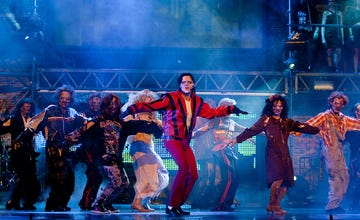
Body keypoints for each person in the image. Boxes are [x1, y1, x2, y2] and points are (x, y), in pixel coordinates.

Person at [120, 72, 248, 217]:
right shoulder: (171, 98)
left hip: (185, 141)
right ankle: (171, 205)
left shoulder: (197, 101)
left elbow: (211, 112)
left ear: (193, 85)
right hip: (172, 139)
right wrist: (132, 109)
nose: (186, 84)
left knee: (193, 174)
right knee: (183, 169)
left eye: (189, 82)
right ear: (180, 85)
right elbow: (152, 105)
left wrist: (231, 109)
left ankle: (177, 205)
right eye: (183, 82)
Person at [65, 93, 163, 214]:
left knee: (124, 183)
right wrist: (65, 142)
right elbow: (80, 132)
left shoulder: (121, 123)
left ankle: (106, 203)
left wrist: (154, 125)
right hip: (103, 157)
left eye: (115, 104)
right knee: (116, 182)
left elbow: (138, 125)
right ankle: (98, 204)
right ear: (105, 106)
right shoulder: (97, 121)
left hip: (116, 157)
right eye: (110, 104)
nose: (113, 107)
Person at [228, 94, 319, 215]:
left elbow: (301, 126)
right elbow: (251, 131)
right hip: (272, 153)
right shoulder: (266, 120)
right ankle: (271, 204)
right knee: (278, 179)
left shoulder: (286, 121)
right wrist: (237, 140)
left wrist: (317, 130)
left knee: (287, 183)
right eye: (275, 106)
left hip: (285, 154)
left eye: (280, 106)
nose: (277, 108)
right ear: (271, 107)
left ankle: (276, 205)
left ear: (283, 108)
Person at [17, 85, 88, 212]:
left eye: (67, 98)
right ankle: (53, 203)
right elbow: (34, 123)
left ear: (71, 99)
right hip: (53, 148)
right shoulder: (50, 110)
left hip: (66, 149)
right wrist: (23, 138)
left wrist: (83, 124)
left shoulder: (72, 111)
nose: (64, 101)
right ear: (58, 98)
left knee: (70, 177)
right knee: (60, 176)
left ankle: (60, 203)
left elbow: (85, 124)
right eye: (62, 98)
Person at [305, 91, 360, 214]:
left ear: (343, 105)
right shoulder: (324, 116)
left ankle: (335, 204)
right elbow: (308, 125)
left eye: (340, 104)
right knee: (335, 177)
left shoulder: (344, 119)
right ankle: (331, 206)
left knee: (345, 177)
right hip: (329, 149)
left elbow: (357, 123)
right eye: (335, 103)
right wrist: (292, 130)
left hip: (339, 151)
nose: (337, 105)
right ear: (331, 103)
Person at [192, 98, 247, 212]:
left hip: (230, 152)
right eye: (226, 107)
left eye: (230, 107)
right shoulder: (216, 120)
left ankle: (227, 203)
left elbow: (247, 130)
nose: (229, 111)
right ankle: (220, 204)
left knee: (235, 178)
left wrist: (265, 132)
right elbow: (202, 130)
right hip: (220, 151)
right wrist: (187, 136)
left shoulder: (232, 122)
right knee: (228, 177)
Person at [122, 89, 169, 212]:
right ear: (139, 102)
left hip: (148, 147)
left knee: (160, 172)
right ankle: (137, 202)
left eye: (150, 102)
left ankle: (143, 201)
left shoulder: (153, 118)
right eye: (145, 101)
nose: (148, 104)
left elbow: (163, 130)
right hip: (138, 146)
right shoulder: (135, 115)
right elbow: (124, 124)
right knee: (146, 176)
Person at [0, 98, 41, 210]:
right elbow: (1, 129)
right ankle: (13, 201)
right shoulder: (13, 119)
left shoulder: (33, 120)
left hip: (30, 153)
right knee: (21, 178)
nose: (26, 109)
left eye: (29, 107)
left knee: (31, 178)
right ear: (21, 107)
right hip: (18, 153)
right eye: (24, 107)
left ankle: (28, 202)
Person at [77, 93, 103, 211]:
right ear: (89, 103)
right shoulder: (84, 114)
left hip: (100, 150)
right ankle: (86, 202)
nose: (95, 104)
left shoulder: (103, 114)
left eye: (97, 102)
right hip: (88, 149)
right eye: (93, 102)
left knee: (98, 177)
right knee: (94, 175)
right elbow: (81, 130)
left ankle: (90, 201)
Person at [315, 0, 344, 72]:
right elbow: (323, 26)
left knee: (338, 52)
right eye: (330, 1)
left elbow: (341, 26)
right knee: (329, 52)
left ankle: (337, 68)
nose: (332, 3)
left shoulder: (339, 13)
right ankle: (331, 69)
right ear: (328, 3)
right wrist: (323, 38)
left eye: (333, 1)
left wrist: (342, 38)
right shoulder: (326, 13)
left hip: (336, 35)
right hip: (328, 35)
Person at [346, 102, 360, 211]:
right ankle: (354, 204)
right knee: (356, 180)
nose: (359, 112)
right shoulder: (350, 124)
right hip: (356, 156)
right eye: (358, 110)